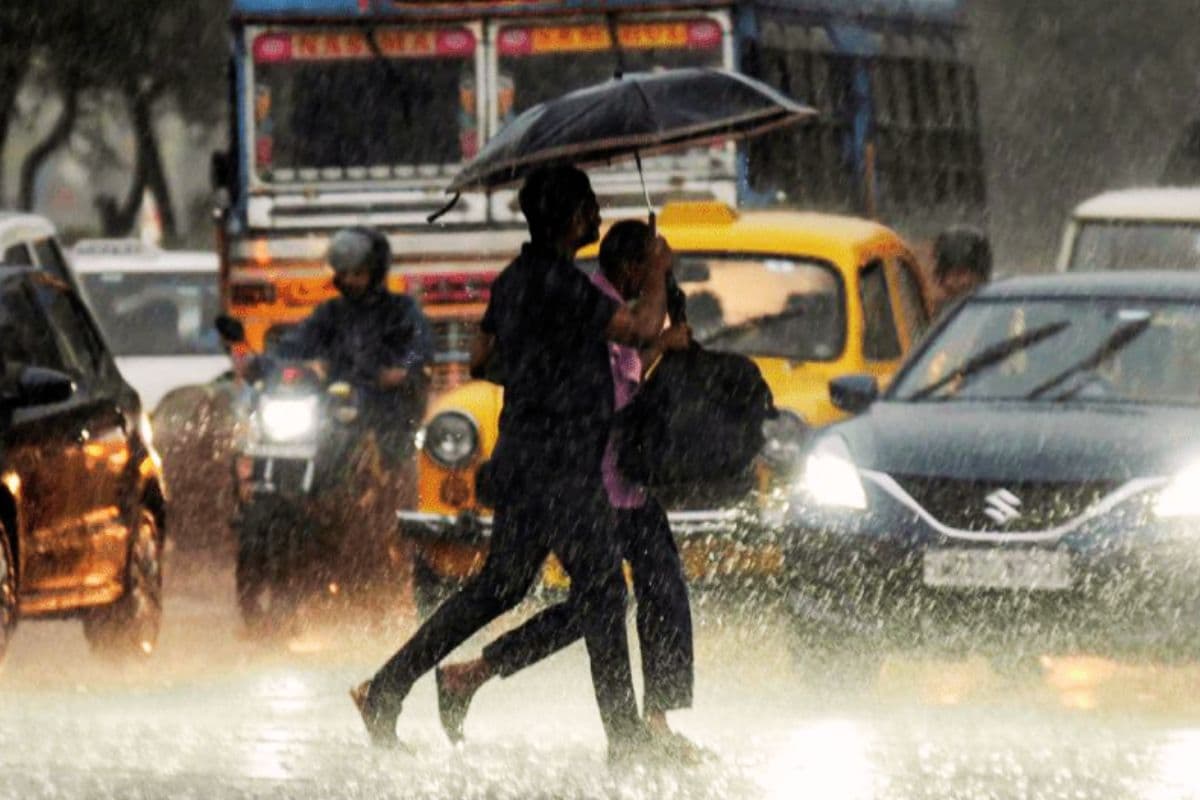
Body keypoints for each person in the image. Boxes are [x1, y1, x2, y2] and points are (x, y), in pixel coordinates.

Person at [350, 165, 673, 759]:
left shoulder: (513, 281)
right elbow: (644, 327)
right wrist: (656, 268)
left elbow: (481, 360)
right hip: (562, 465)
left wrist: (541, 363)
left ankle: (386, 687)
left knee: (501, 586)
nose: (599, 220)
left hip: (525, 458)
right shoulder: (564, 285)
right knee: (603, 593)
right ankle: (627, 742)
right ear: (573, 217)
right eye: (592, 209)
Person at [432, 219, 697, 753]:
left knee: (661, 590)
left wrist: (662, 343)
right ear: (629, 270)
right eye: (650, 270)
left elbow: (626, 379)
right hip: (590, 485)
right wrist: (663, 340)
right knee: (597, 603)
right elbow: (609, 397)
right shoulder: (596, 311)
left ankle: (656, 722)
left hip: (624, 480)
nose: (655, 282)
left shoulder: (619, 309)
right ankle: (474, 675)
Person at [274, 226, 433, 466]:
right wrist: (283, 361)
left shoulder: (401, 309)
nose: (349, 280)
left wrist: (402, 371)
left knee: (394, 458)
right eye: (344, 273)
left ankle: (389, 485)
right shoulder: (329, 312)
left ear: (376, 273)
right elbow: (295, 343)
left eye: (358, 274)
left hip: (388, 404)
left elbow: (420, 348)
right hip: (335, 404)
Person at [932, 224, 993, 318]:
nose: (949, 282)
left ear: (980, 276)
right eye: (944, 274)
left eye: (959, 274)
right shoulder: (932, 314)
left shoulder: (1002, 311)